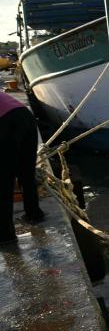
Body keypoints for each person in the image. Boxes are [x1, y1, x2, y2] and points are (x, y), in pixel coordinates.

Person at [0, 91, 45, 245]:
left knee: (4, 180)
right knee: (27, 172)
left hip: (4, 121)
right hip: (25, 116)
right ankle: (34, 213)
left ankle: (5, 234)